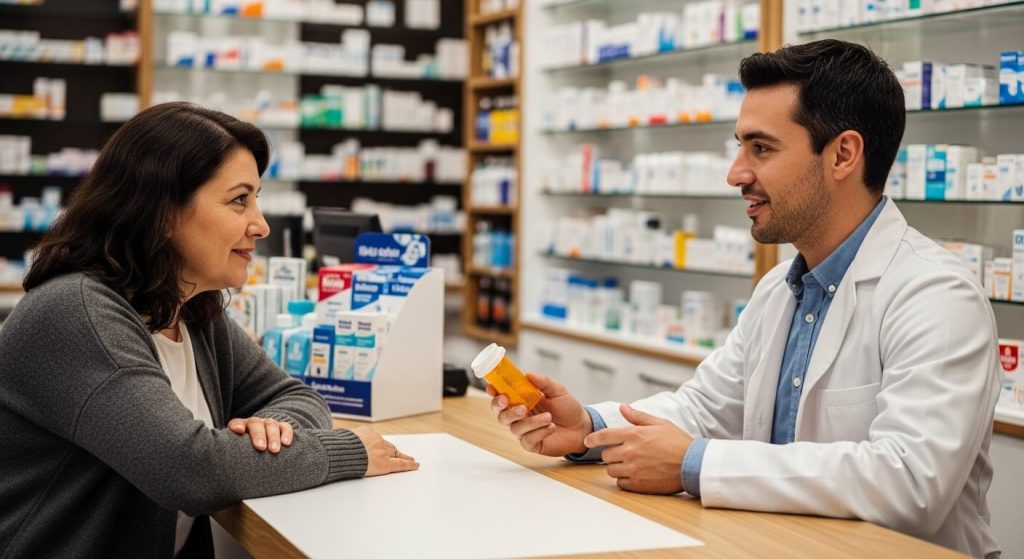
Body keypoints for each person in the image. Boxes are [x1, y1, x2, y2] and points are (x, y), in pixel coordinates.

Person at [489, 39, 1001, 558]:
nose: (736, 173)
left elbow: (910, 483)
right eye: (739, 146)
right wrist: (587, 431)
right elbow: (707, 407)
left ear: (842, 154)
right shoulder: (780, 289)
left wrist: (693, 464)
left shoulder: (935, 295)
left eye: (761, 148)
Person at [0, 102, 419, 558]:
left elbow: (297, 397)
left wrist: (271, 433)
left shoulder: (190, 310)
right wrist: (347, 453)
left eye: (257, 198)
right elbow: (187, 470)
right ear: (160, 211)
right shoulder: (76, 313)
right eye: (240, 199)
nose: (259, 224)